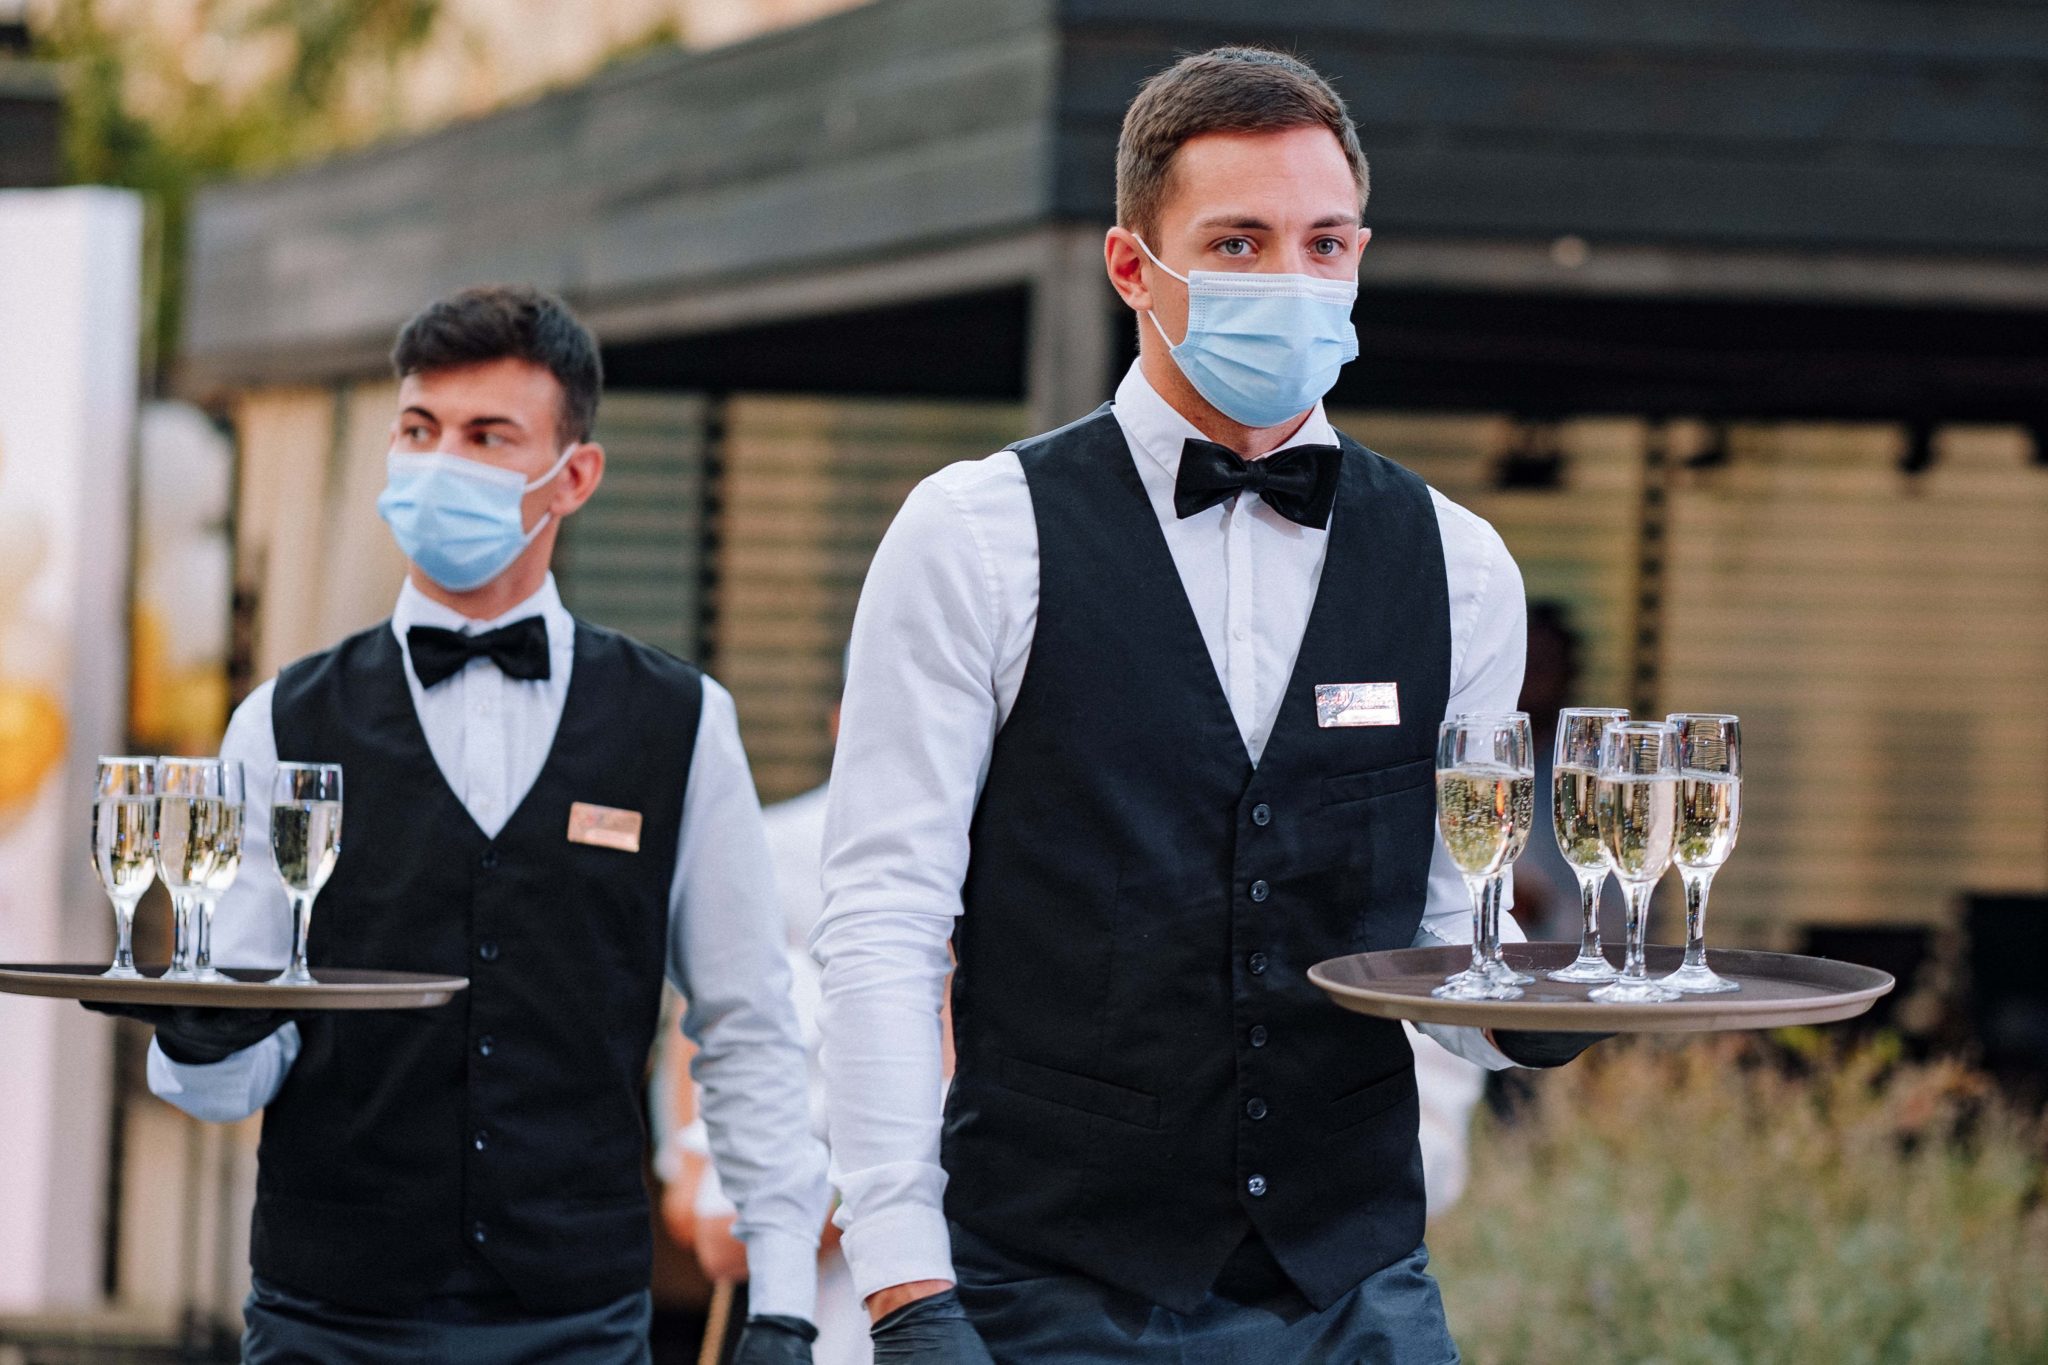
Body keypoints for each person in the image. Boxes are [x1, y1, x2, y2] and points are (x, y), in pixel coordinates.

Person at [814, 48, 1604, 1363]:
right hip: (1051, 1284)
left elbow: (1434, 932)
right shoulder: (976, 535)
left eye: (1323, 243)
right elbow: (885, 923)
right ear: (1133, 268)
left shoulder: (1459, 565)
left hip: (1354, 1290)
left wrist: (1536, 1018)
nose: (1289, 279)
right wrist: (903, 1284)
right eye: (1237, 244)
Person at [92, 285, 827, 1365]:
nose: (441, 463)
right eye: (418, 429)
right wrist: (194, 1039)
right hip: (327, 1320)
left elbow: (747, 1024)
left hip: (575, 1322)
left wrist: (784, 1301)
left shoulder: (679, 723)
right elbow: (238, 1058)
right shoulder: (283, 719)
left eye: (487, 437)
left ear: (573, 476)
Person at [657, 696, 883, 1365]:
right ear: (840, 719)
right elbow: (715, 1009)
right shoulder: (777, 844)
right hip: (805, 1213)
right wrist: (690, 1169)